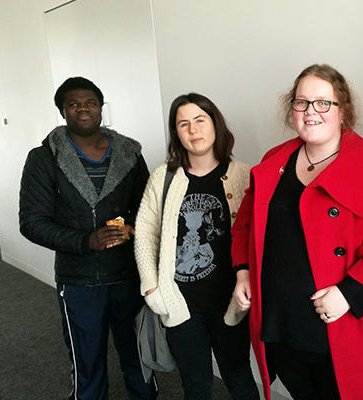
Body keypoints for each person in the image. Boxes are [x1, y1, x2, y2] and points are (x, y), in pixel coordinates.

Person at [231, 64, 363, 400]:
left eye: (323, 103)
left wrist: (350, 293)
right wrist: (242, 271)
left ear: (342, 111)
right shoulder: (272, 162)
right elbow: (246, 225)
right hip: (282, 327)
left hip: (341, 329)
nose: (311, 112)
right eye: (301, 102)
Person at [19, 76, 156, 400]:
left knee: (138, 357)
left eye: (90, 102)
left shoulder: (129, 154)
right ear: (63, 111)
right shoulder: (44, 158)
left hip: (128, 275)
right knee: (87, 364)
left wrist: (131, 226)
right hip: (79, 280)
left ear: (100, 108)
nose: (83, 108)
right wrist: (85, 240)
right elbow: (32, 222)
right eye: (74, 104)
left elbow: (148, 207)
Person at [134, 93, 259, 400]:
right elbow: (146, 233)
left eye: (200, 120)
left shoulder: (244, 174)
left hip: (232, 303)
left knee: (239, 377)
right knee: (196, 385)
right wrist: (152, 288)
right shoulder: (164, 177)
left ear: (215, 125)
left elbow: (258, 235)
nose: (193, 130)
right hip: (181, 303)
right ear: (176, 133)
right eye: (183, 124)